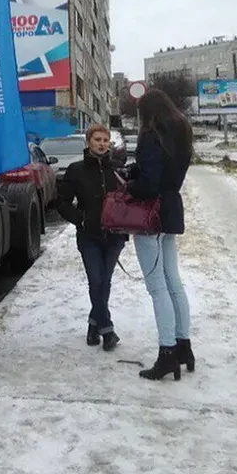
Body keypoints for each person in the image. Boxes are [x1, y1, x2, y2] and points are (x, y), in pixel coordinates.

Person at [124, 89, 195, 382]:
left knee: (157, 287)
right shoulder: (181, 133)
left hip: (150, 215)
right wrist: (138, 171)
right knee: (173, 282)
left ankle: (167, 353)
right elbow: (163, 174)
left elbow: (149, 184)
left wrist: (129, 185)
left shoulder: (151, 137)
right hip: (170, 210)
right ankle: (183, 347)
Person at [56, 123, 128, 351]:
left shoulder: (117, 170)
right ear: (88, 142)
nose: (102, 144)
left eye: (105, 140)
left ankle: (93, 324)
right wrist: (81, 219)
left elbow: (127, 200)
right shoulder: (76, 170)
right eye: (97, 140)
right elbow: (62, 203)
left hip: (115, 236)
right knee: (96, 280)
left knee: (104, 283)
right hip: (89, 236)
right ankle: (107, 331)